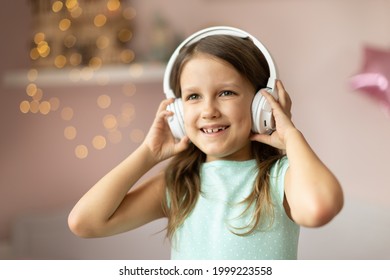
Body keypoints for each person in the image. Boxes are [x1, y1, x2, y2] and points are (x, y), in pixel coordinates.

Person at [68, 26, 344, 260]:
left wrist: (291, 136)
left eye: (226, 92)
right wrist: (148, 154)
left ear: (262, 104)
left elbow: (320, 208)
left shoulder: (280, 177)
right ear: (176, 111)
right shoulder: (178, 184)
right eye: (193, 97)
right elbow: (85, 222)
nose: (208, 110)